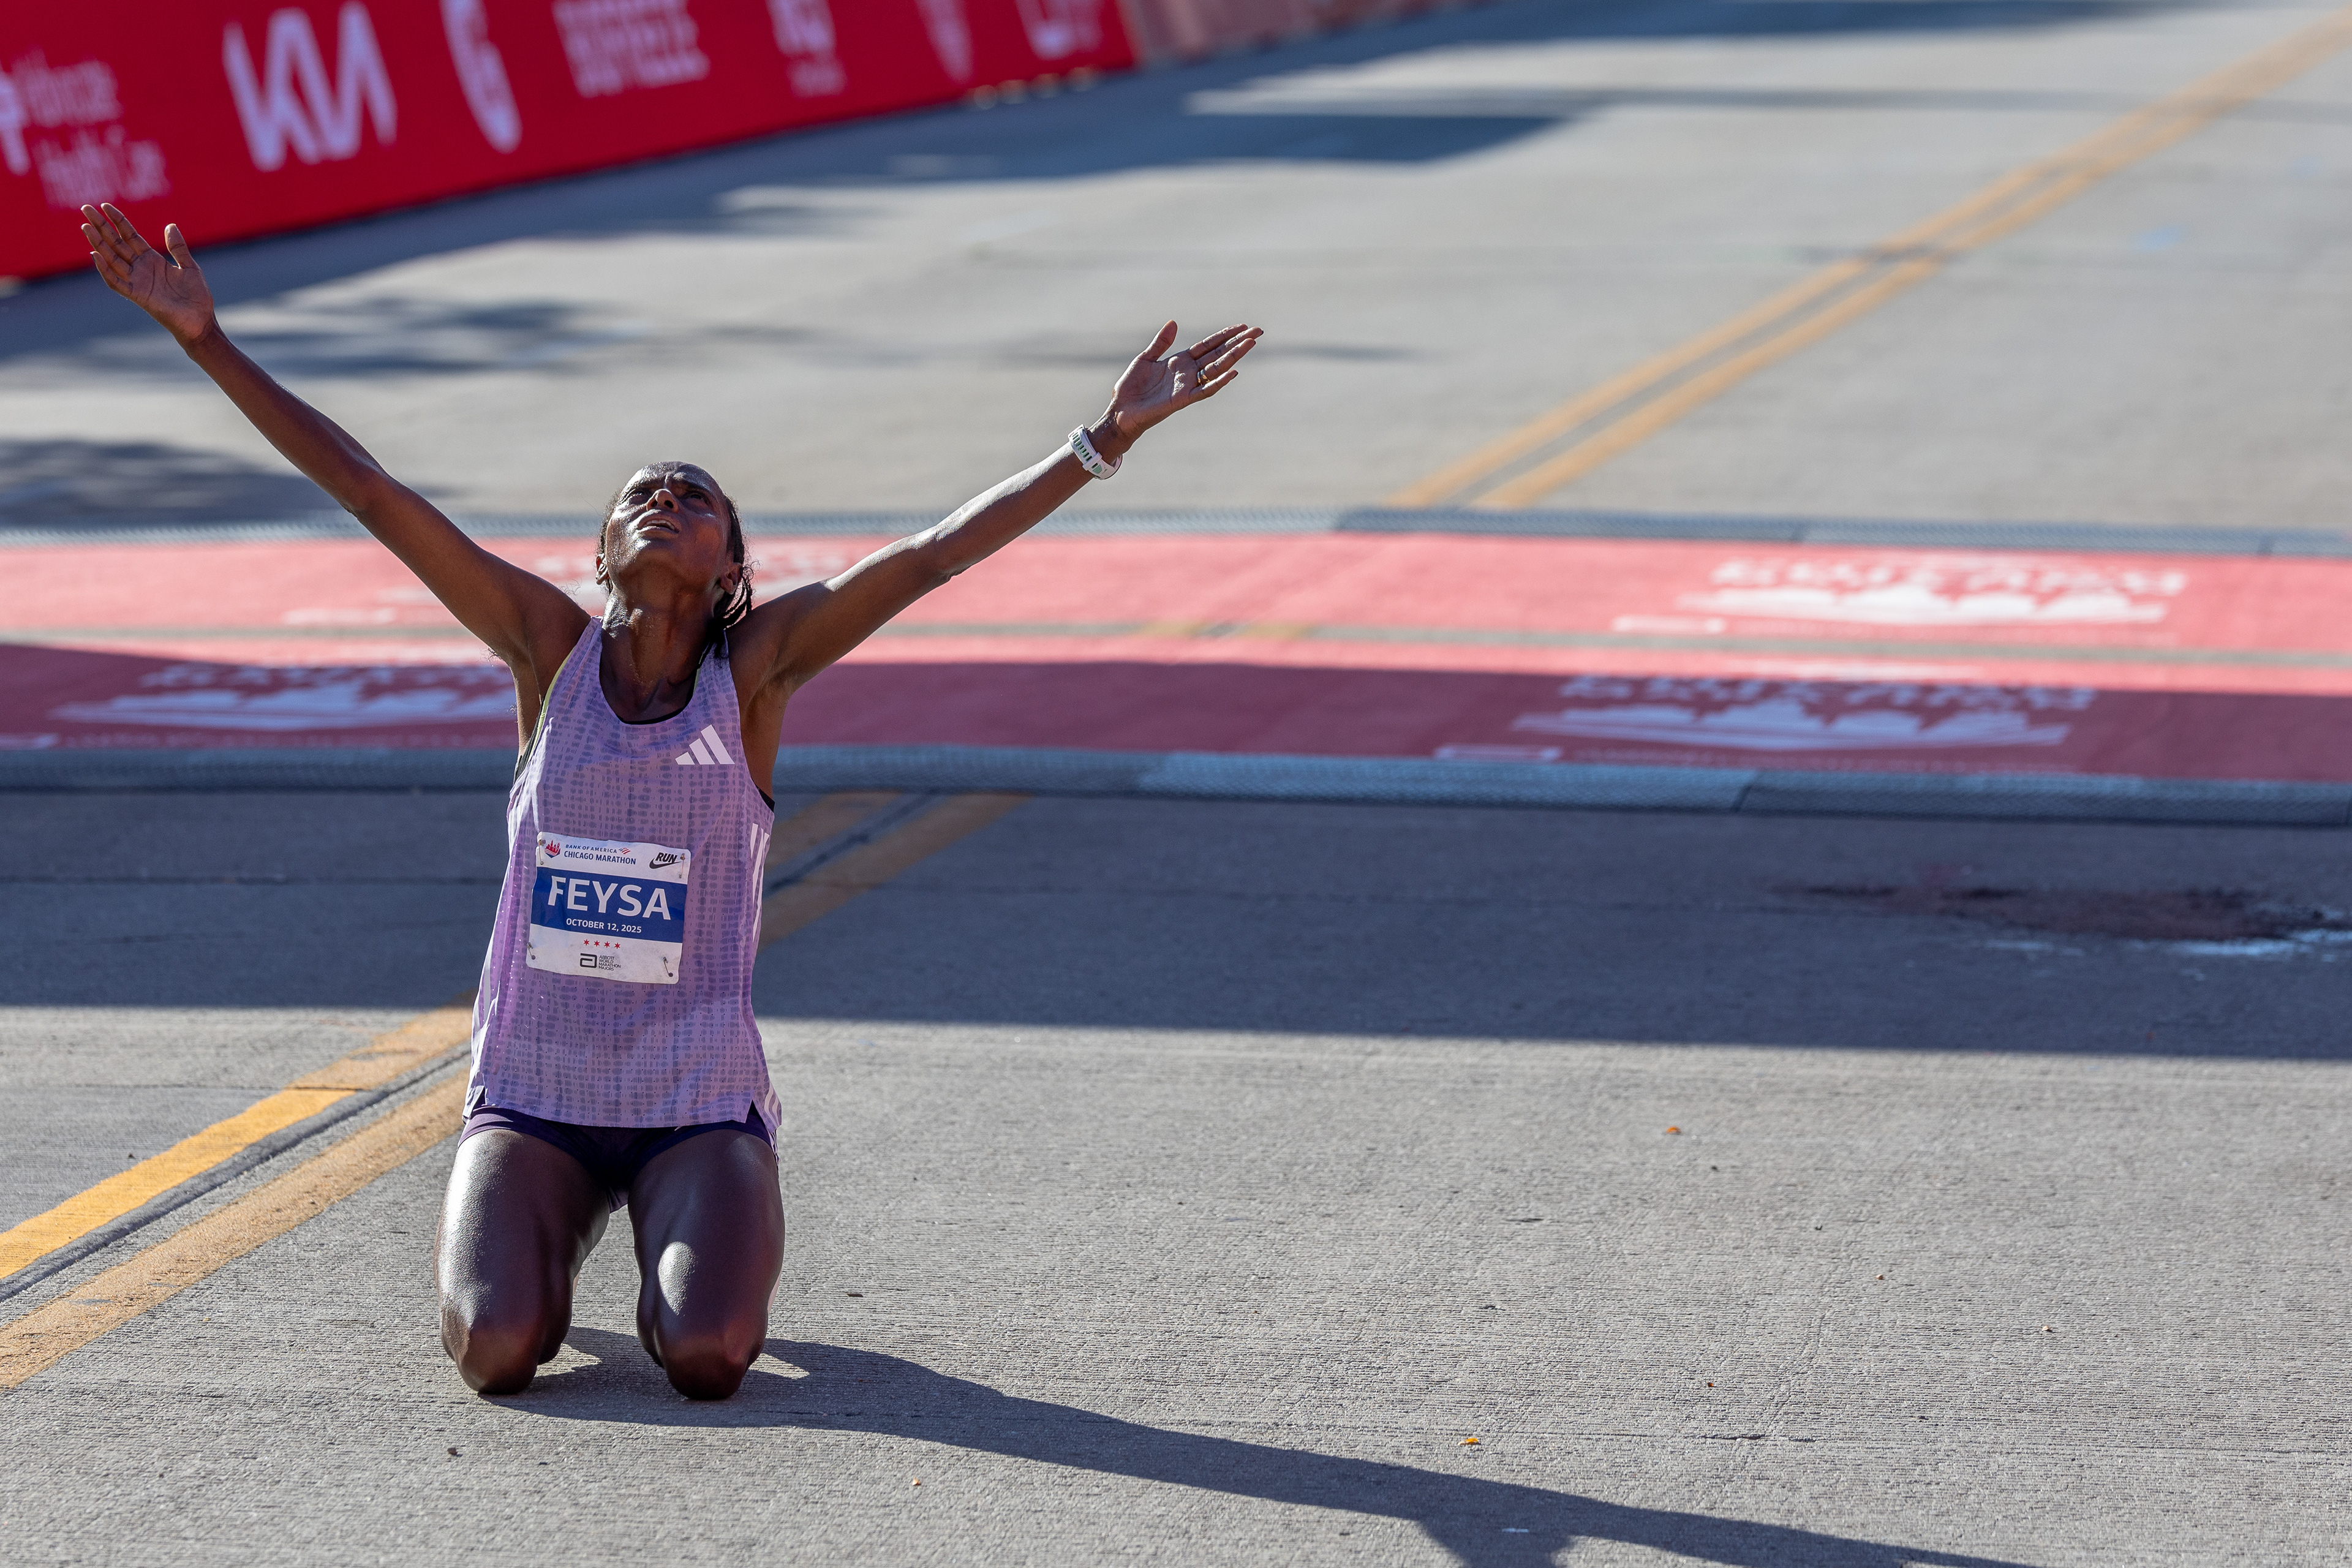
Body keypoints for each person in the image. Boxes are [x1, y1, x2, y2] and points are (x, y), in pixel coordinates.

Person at [80, 202, 1259, 1400]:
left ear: (732, 569)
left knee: (703, 1352)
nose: (667, 497)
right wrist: (204, 341)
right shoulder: (545, 650)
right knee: (497, 1349)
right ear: (600, 554)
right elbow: (373, 493)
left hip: (694, 1099)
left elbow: (931, 554)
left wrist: (1102, 438)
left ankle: (676, 1220)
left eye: (698, 497)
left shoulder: (755, 675)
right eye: (642, 492)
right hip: (534, 1094)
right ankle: (566, 1212)